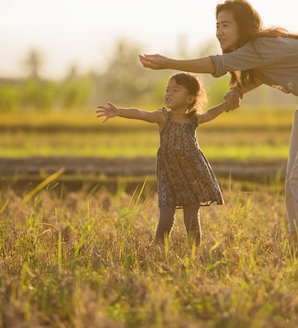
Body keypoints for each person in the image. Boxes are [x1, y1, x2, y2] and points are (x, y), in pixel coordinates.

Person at [139, 0, 298, 254]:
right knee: (292, 180)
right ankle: (297, 246)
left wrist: (169, 63)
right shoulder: (258, 50)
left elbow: (216, 65)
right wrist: (239, 91)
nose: (219, 32)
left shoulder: (263, 45)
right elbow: (262, 74)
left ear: (243, 26)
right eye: (217, 25)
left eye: (226, 25)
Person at [96, 72, 226, 247]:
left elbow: (210, 114)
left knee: (191, 218)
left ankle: (194, 253)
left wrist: (227, 104)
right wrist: (119, 111)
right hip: (169, 174)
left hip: (193, 173)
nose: (168, 94)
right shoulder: (163, 117)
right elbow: (141, 113)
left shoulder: (193, 119)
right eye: (167, 89)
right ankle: (157, 249)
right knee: (165, 218)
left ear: (189, 99)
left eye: (175, 90)